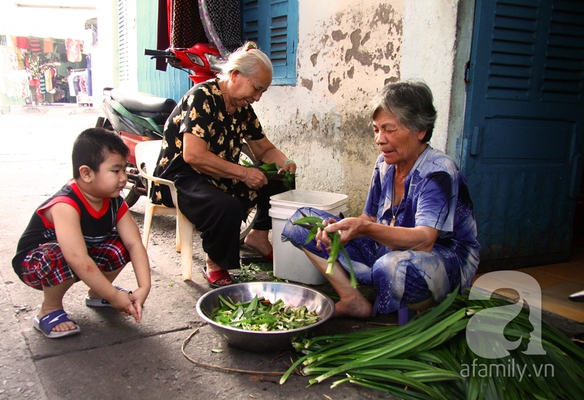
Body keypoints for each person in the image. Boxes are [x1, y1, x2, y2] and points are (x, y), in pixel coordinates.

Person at [282, 80, 480, 318]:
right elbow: (369, 216)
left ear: (420, 131)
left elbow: (425, 240)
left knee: (392, 267)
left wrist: (364, 228)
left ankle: (425, 310)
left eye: (389, 129)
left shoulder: (437, 171)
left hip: (440, 259)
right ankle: (353, 299)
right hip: (389, 249)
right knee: (302, 222)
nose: (379, 139)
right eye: (376, 129)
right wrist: (342, 230)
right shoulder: (385, 164)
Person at [151, 41, 296, 287]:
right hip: (183, 177)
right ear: (236, 75)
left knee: (283, 180)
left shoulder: (243, 108)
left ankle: (258, 236)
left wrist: (286, 162)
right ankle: (214, 263)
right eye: (257, 89)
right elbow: (193, 156)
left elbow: (265, 149)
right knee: (225, 206)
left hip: (219, 173)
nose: (258, 98)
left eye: (262, 92)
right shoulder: (202, 97)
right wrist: (243, 173)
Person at [12, 128, 152, 338]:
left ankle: (98, 293)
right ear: (86, 173)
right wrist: (115, 296)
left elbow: (134, 245)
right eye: (116, 171)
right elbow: (77, 259)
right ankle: (49, 309)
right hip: (37, 264)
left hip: (80, 256)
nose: (124, 178)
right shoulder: (66, 205)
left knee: (121, 244)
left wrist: (144, 288)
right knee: (59, 254)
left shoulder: (114, 201)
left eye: (125, 169)